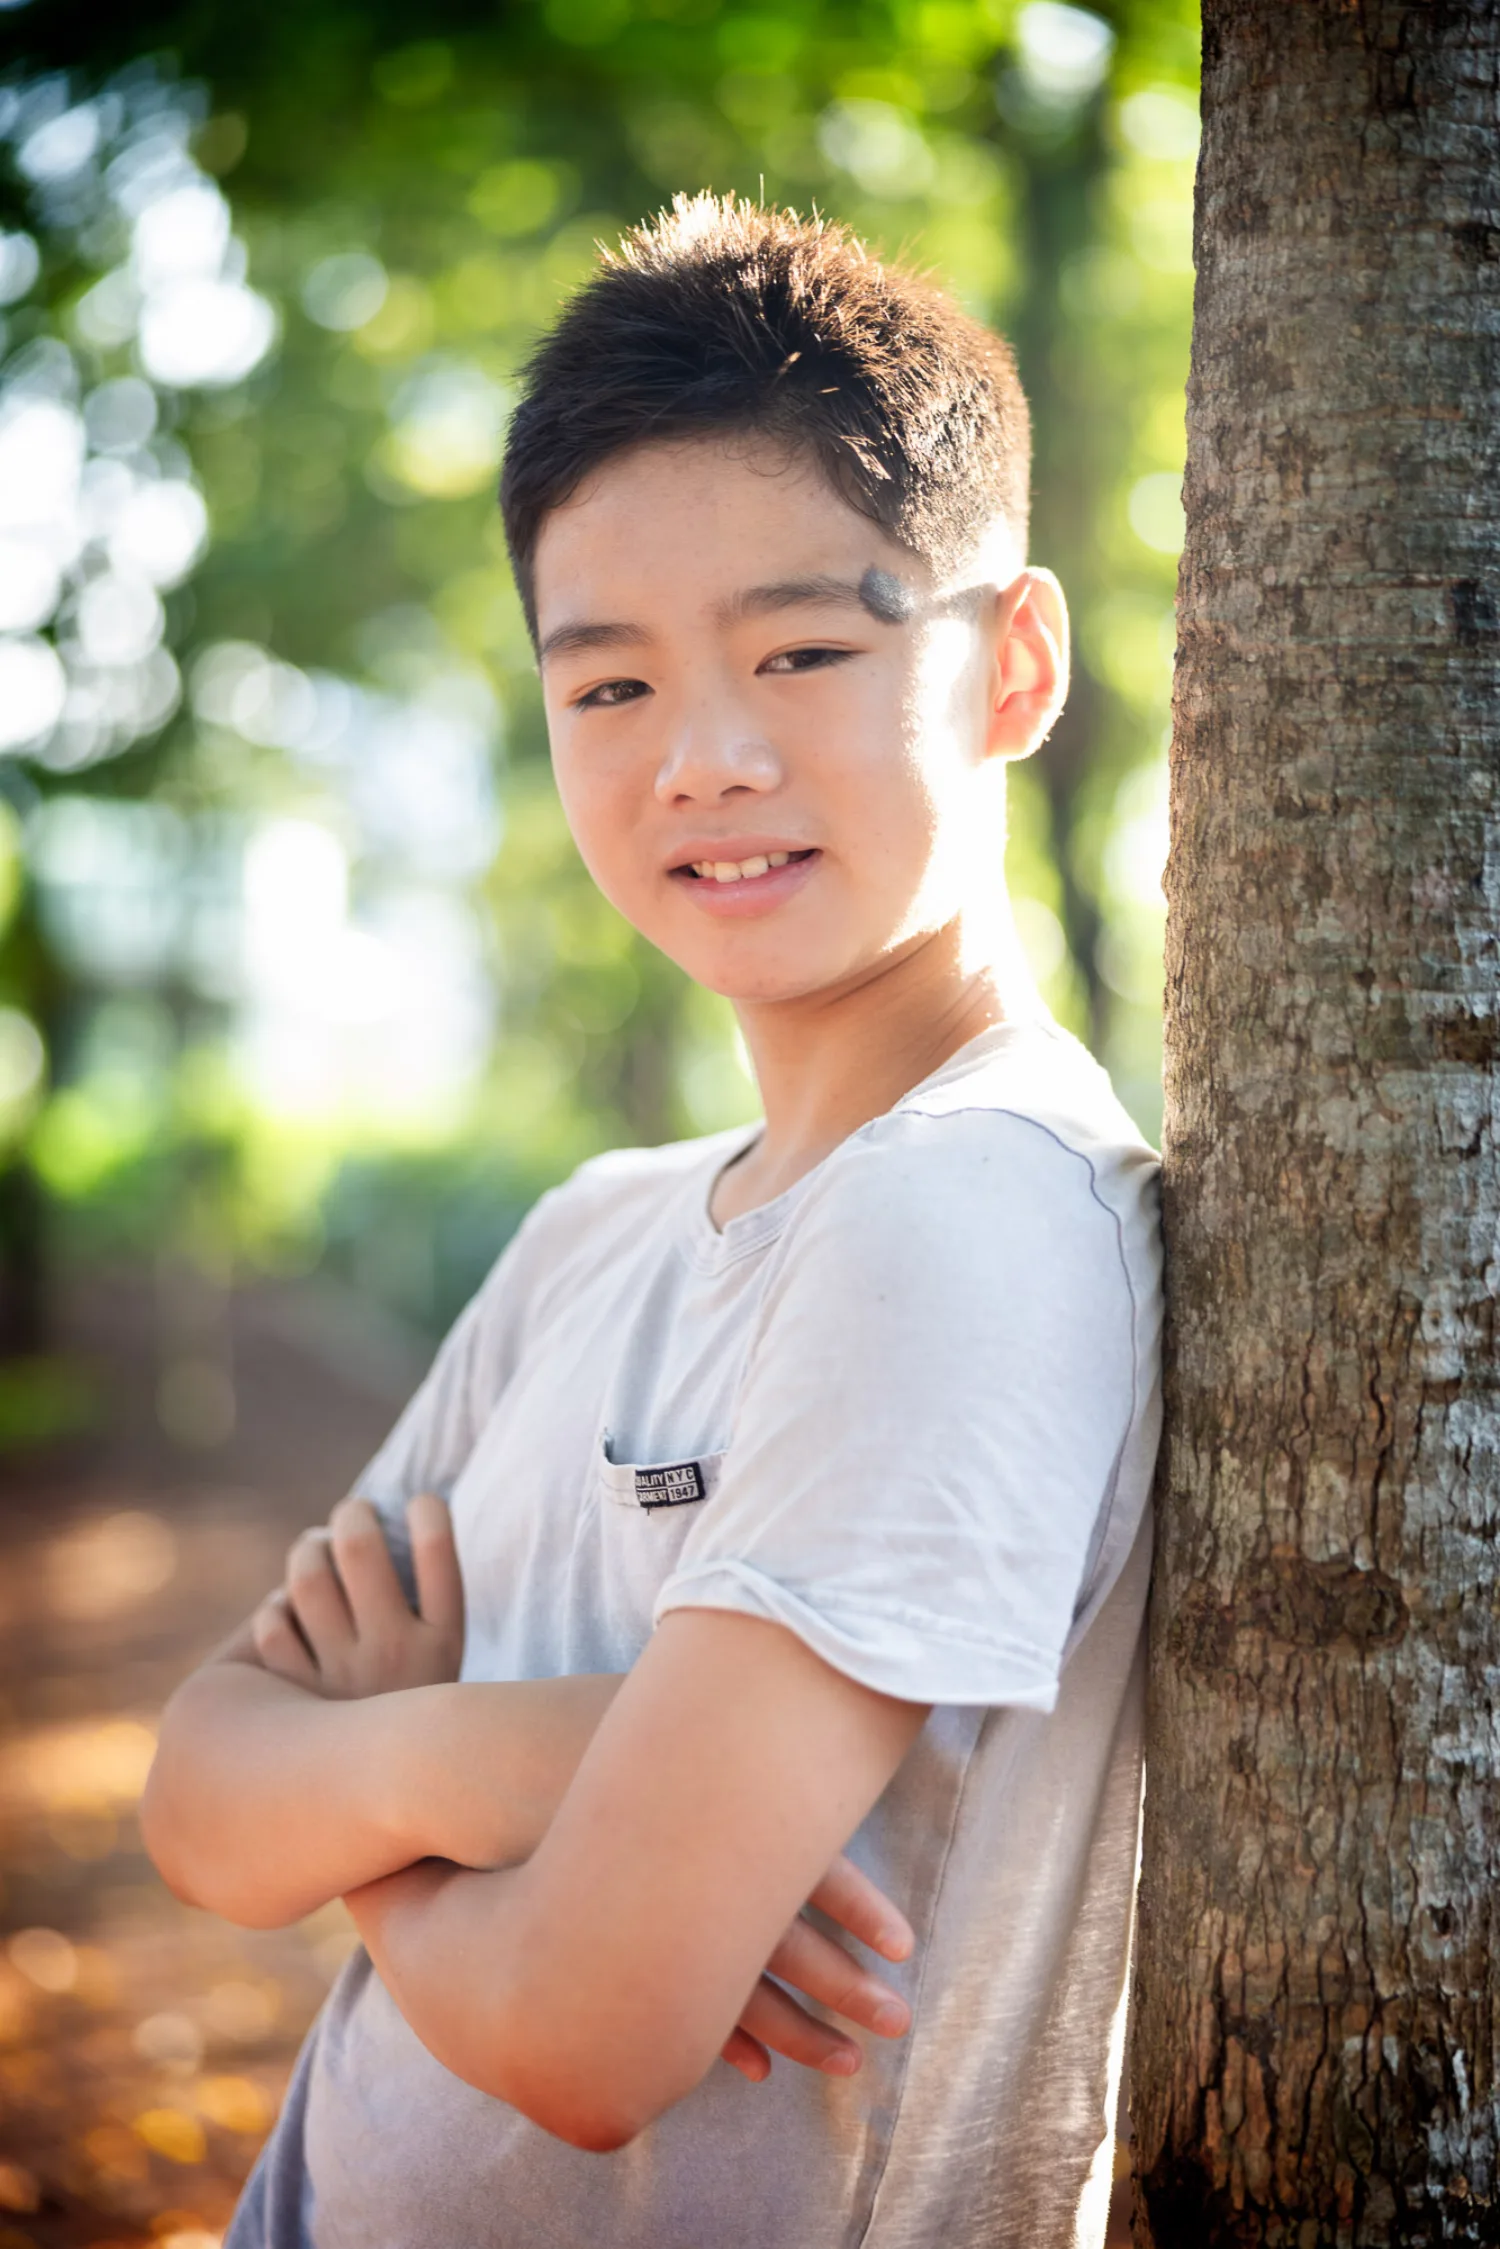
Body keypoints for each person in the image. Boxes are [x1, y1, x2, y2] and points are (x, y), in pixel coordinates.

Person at [142, 193, 1162, 2249]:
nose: (703, 756)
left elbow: (590, 2025)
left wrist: (373, 1807)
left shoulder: (963, 1221)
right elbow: (190, 1784)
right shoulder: (597, 1230)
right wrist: (543, 1768)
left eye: (800, 650)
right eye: (607, 687)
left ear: (1012, 663)